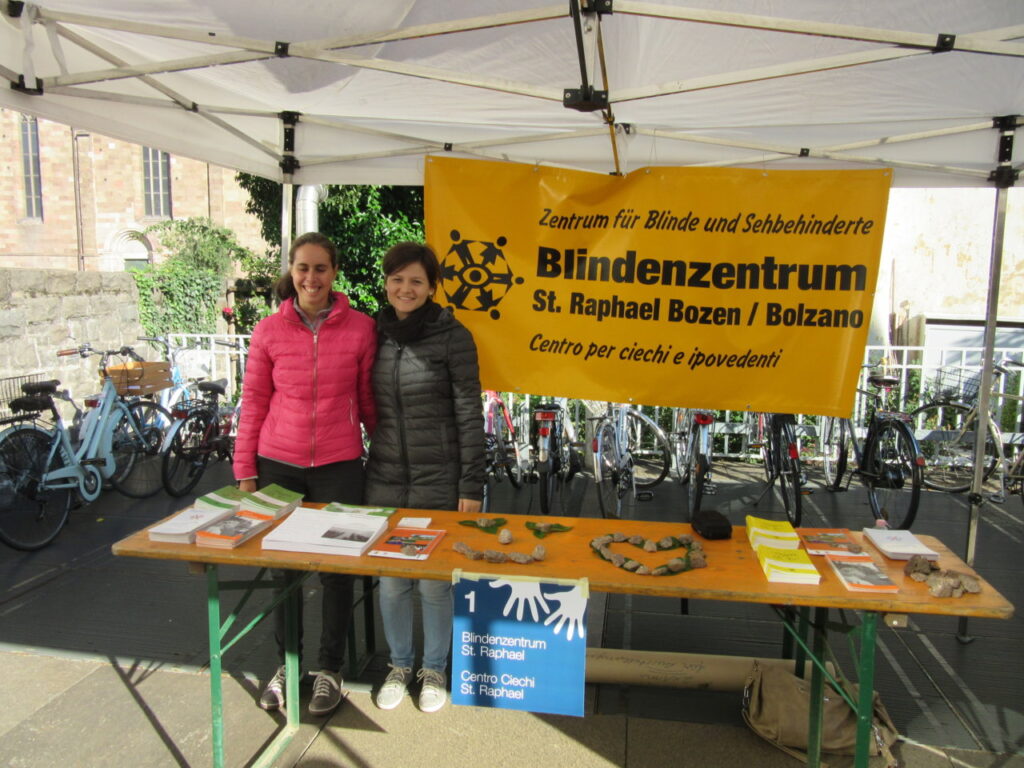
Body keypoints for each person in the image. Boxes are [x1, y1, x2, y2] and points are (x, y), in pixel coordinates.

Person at [233, 231, 377, 717]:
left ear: (334, 272)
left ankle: (330, 668)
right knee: (285, 571)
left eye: (320, 268)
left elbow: (368, 399)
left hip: (339, 466)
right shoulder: (268, 332)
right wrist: (244, 469)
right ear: (290, 272)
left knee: (338, 571)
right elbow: (252, 401)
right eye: (302, 268)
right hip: (278, 464)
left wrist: (383, 453)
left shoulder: (360, 328)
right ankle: (288, 666)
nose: (311, 278)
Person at [364, 241, 486, 714]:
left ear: (432, 286)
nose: (405, 288)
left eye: (416, 280)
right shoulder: (373, 333)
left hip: (441, 479)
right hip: (386, 478)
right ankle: (399, 664)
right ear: (387, 283)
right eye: (397, 279)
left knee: (435, 582)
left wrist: (470, 485)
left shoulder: (454, 337)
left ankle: (434, 668)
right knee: (392, 579)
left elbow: (470, 415)